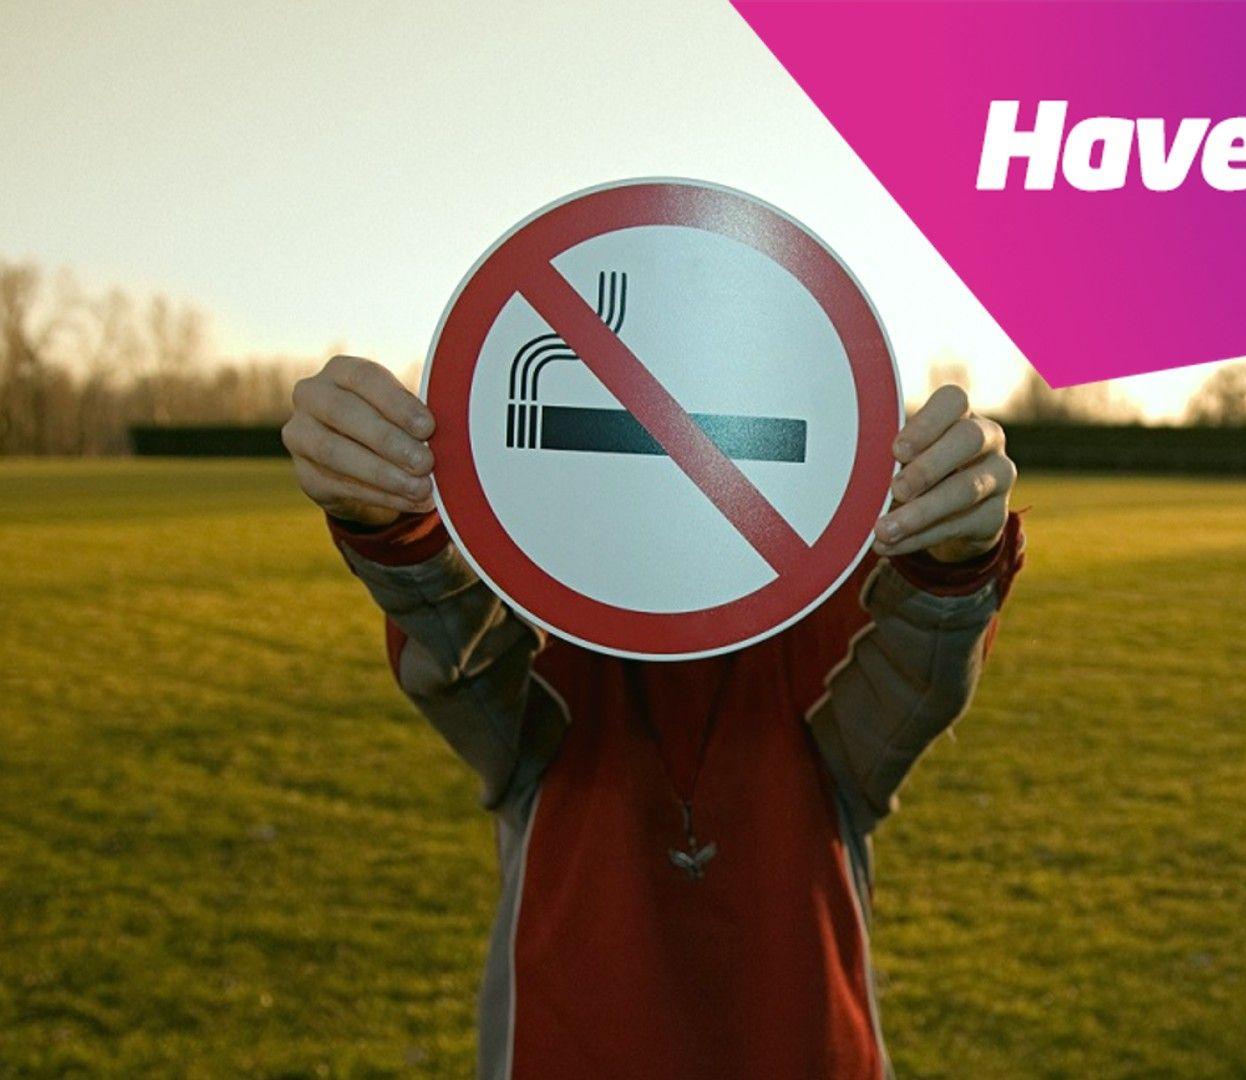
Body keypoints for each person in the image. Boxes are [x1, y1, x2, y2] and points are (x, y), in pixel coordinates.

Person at [283, 355, 1022, 1079]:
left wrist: (953, 564)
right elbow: (465, 662)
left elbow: (914, 675)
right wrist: (398, 532)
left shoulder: (833, 590)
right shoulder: (544, 593)